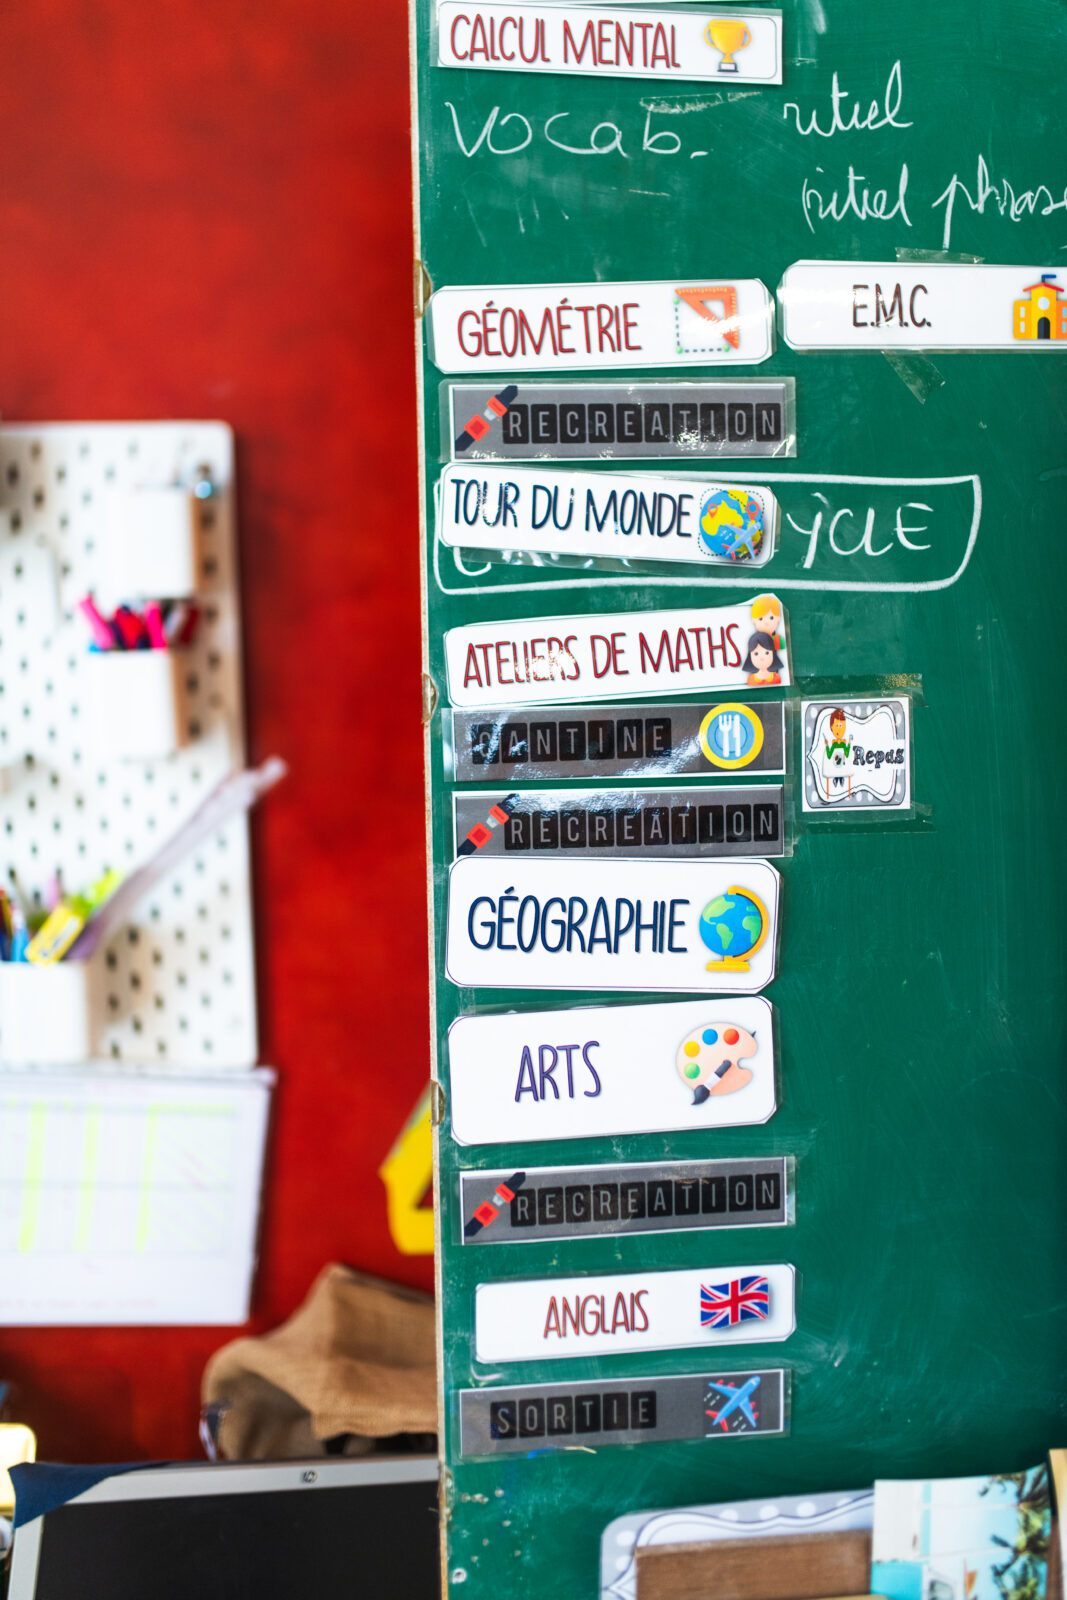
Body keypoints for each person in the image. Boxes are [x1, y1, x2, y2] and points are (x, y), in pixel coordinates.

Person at [822, 707, 852, 796]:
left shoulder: (843, 744)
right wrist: (827, 745)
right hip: (834, 768)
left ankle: (840, 779)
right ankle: (836, 780)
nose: (839, 729)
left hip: (842, 768)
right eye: (837, 726)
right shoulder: (834, 744)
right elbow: (829, 754)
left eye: (842, 726)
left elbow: (846, 753)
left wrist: (849, 743)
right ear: (832, 727)